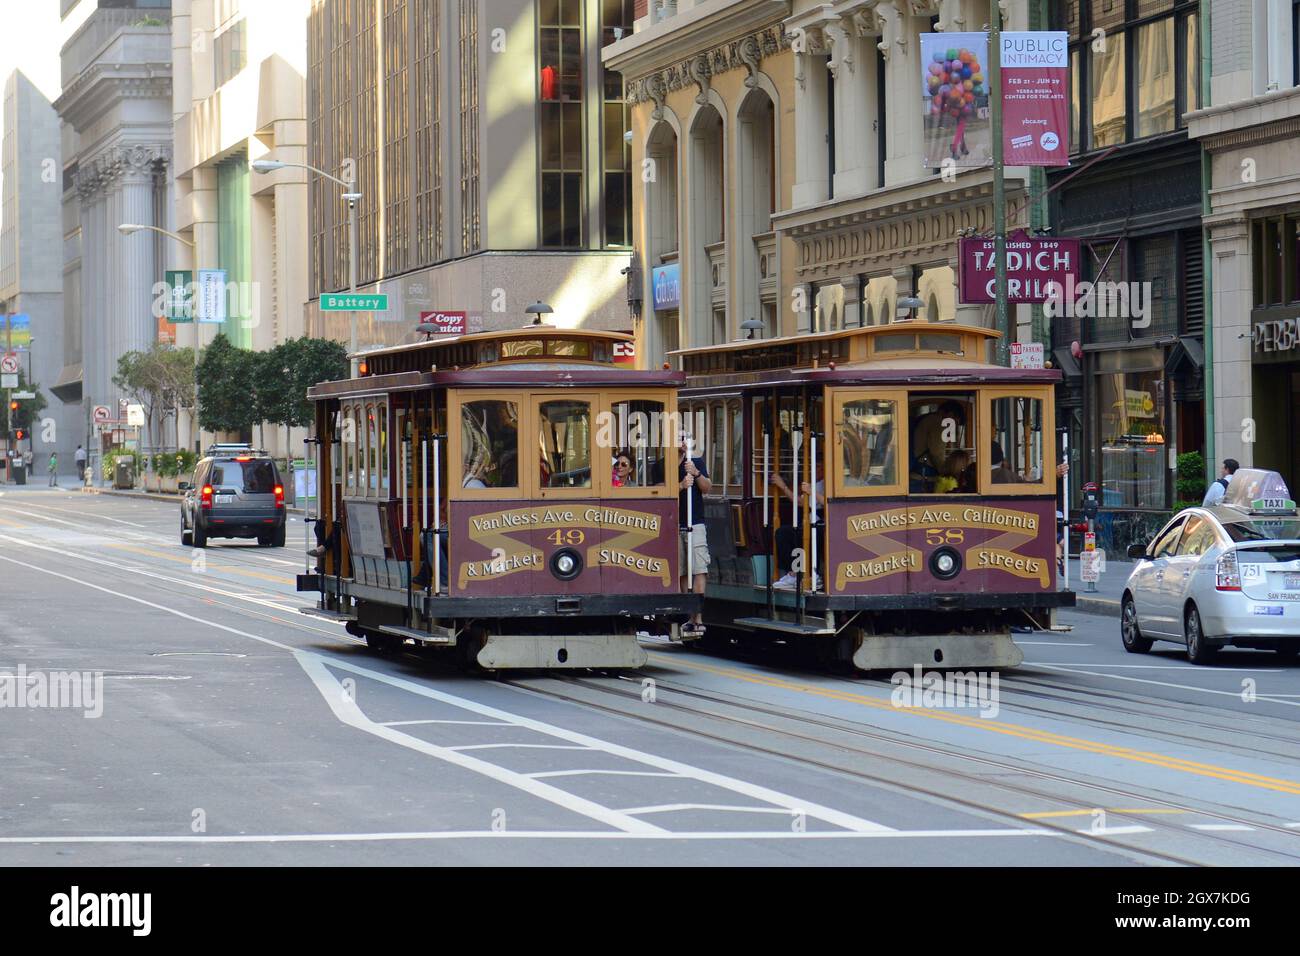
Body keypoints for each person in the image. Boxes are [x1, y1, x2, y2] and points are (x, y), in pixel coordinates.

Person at [771, 458, 826, 589]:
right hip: (811, 523)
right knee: (783, 533)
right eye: (815, 466)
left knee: (809, 533)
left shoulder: (826, 484)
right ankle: (794, 573)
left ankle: (813, 574)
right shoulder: (817, 483)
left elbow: (803, 502)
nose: (816, 470)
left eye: (819, 466)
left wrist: (783, 486)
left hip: (822, 525)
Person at [677, 437, 711, 634]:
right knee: (682, 571)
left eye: (684, 438)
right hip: (675, 523)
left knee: (699, 569)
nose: (681, 442)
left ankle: (698, 617)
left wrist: (696, 473)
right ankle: (688, 614)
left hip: (695, 523)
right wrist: (681, 485)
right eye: (678, 438)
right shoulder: (663, 465)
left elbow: (707, 488)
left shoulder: (696, 462)